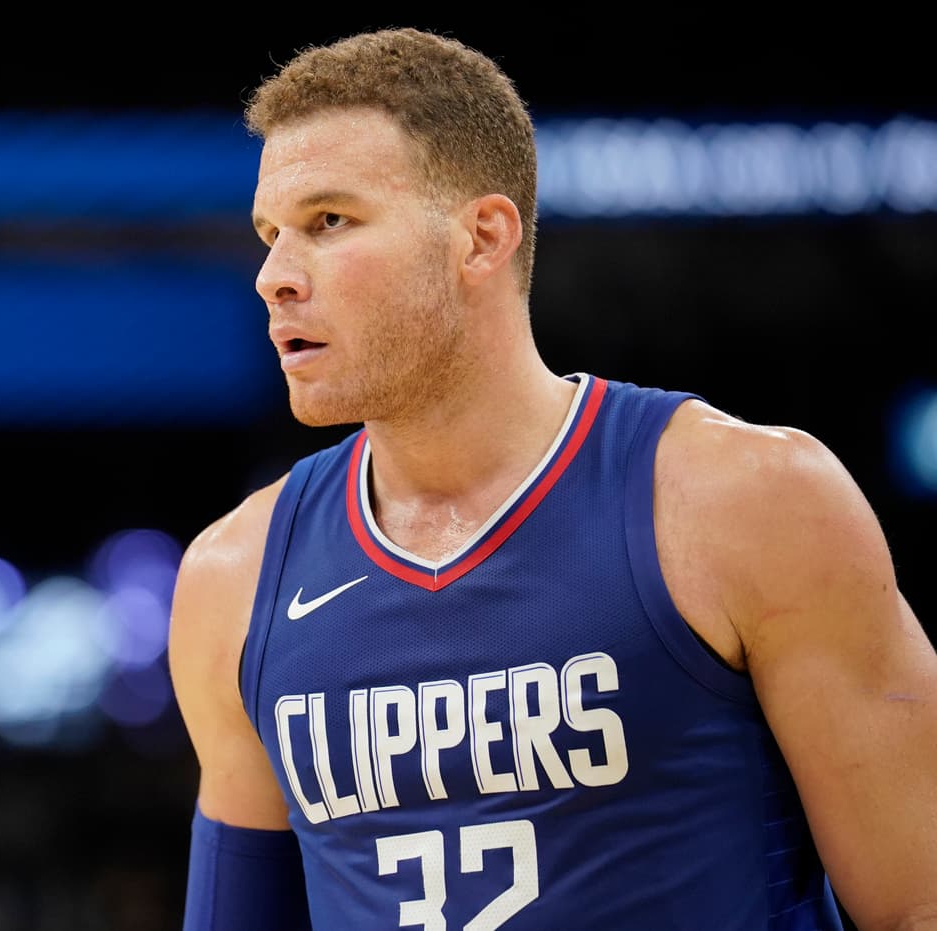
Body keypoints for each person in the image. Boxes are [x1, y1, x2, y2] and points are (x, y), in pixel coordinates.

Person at [167, 25, 937, 931]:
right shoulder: (234, 577)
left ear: (483, 238)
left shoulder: (744, 498)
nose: (274, 277)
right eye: (270, 233)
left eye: (329, 222)